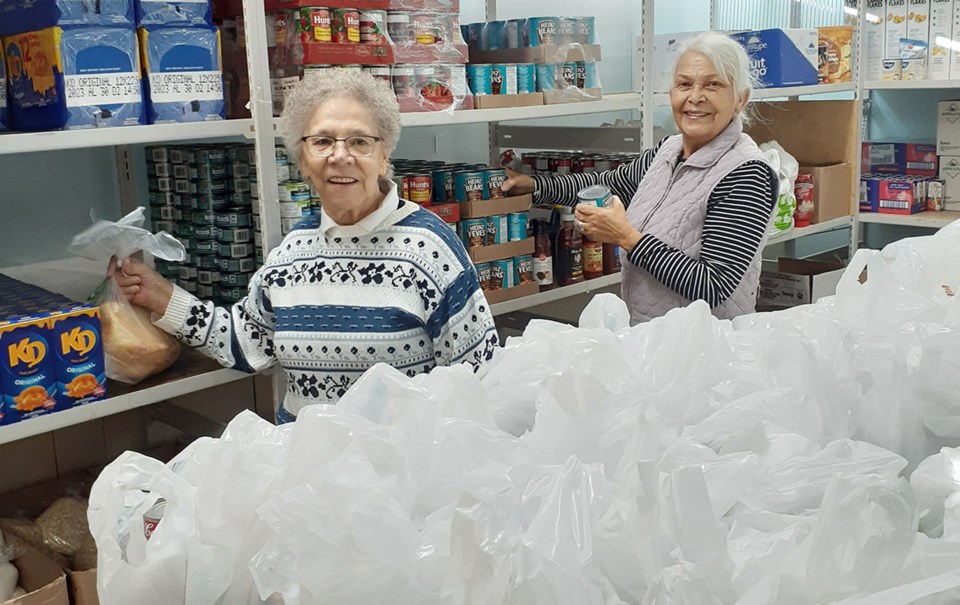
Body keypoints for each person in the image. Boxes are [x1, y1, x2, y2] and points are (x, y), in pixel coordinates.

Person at [110, 69, 499, 422]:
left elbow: (480, 381)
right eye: (322, 141)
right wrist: (162, 297)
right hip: (305, 479)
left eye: (360, 141)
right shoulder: (292, 252)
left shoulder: (429, 250)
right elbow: (248, 344)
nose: (340, 156)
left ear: (383, 156)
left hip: (399, 483)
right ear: (302, 160)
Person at [504, 32, 779, 325]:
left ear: (740, 99)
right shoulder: (668, 151)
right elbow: (608, 184)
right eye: (684, 84)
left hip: (705, 350)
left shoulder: (746, 173)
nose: (695, 97)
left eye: (713, 85)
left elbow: (713, 285)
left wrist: (627, 237)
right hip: (653, 340)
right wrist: (533, 185)